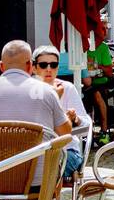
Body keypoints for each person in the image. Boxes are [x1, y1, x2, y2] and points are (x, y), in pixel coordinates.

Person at [0, 41, 71, 185]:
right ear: (29, 66)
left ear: (1, 66)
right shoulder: (48, 92)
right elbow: (65, 133)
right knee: (55, 166)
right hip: (38, 181)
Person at [31, 45, 88, 177]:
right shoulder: (28, 90)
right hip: (35, 151)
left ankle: (46, 197)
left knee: (45, 170)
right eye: (44, 65)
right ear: (34, 68)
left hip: (66, 150)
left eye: (54, 65)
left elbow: (86, 124)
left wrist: (75, 119)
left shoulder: (67, 88)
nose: (49, 69)